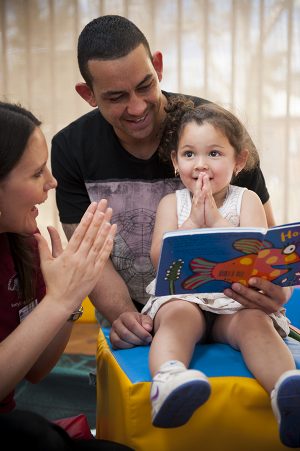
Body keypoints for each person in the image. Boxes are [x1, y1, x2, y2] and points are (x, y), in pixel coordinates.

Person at [51, 14, 290, 350]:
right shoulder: (70, 148)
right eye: (116, 97)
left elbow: (267, 243)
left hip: (231, 312)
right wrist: (124, 316)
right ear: (88, 94)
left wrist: (276, 289)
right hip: (149, 317)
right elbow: (91, 252)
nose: (136, 107)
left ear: (158, 67)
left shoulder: (216, 133)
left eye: (145, 85)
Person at [141, 98, 300, 448]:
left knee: (255, 323)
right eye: (189, 154)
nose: (201, 165)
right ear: (175, 161)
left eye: (214, 154)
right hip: (187, 299)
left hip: (235, 304)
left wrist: (213, 217)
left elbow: (257, 251)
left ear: (238, 160)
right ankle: (168, 380)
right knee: (176, 315)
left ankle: (286, 392)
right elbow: (159, 258)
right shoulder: (172, 203)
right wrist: (193, 220)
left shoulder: (247, 201)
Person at [0, 101, 132, 451]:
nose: (52, 181)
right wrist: (56, 301)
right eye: (36, 173)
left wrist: (72, 298)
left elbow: (36, 370)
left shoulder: (26, 246)